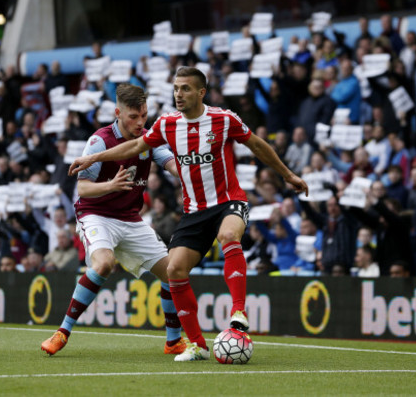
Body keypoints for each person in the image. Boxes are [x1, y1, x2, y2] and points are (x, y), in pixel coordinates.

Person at [69, 67, 308, 362]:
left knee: (228, 235)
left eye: (184, 89)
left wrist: (288, 175)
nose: (178, 94)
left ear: (200, 92)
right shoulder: (167, 125)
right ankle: (197, 345)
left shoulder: (223, 118)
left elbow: (257, 145)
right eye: (175, 88)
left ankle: (238, 311)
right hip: (195, 211)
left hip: (228, 201)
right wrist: (94, 157)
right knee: (174, 271)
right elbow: (134, 146)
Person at [41, 84, 188, 358]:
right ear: (118, 113)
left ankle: (173, 341)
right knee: (105, 264)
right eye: (134, 116)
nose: (140, 122)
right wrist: (110, 186)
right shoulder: (100, 141)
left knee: (173, 273)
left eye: (143, 115)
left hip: (130, 219)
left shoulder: (147, 138)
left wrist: (188, 171)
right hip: (96, 214)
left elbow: (170, 163)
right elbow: (82, 189)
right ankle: (62, 332)